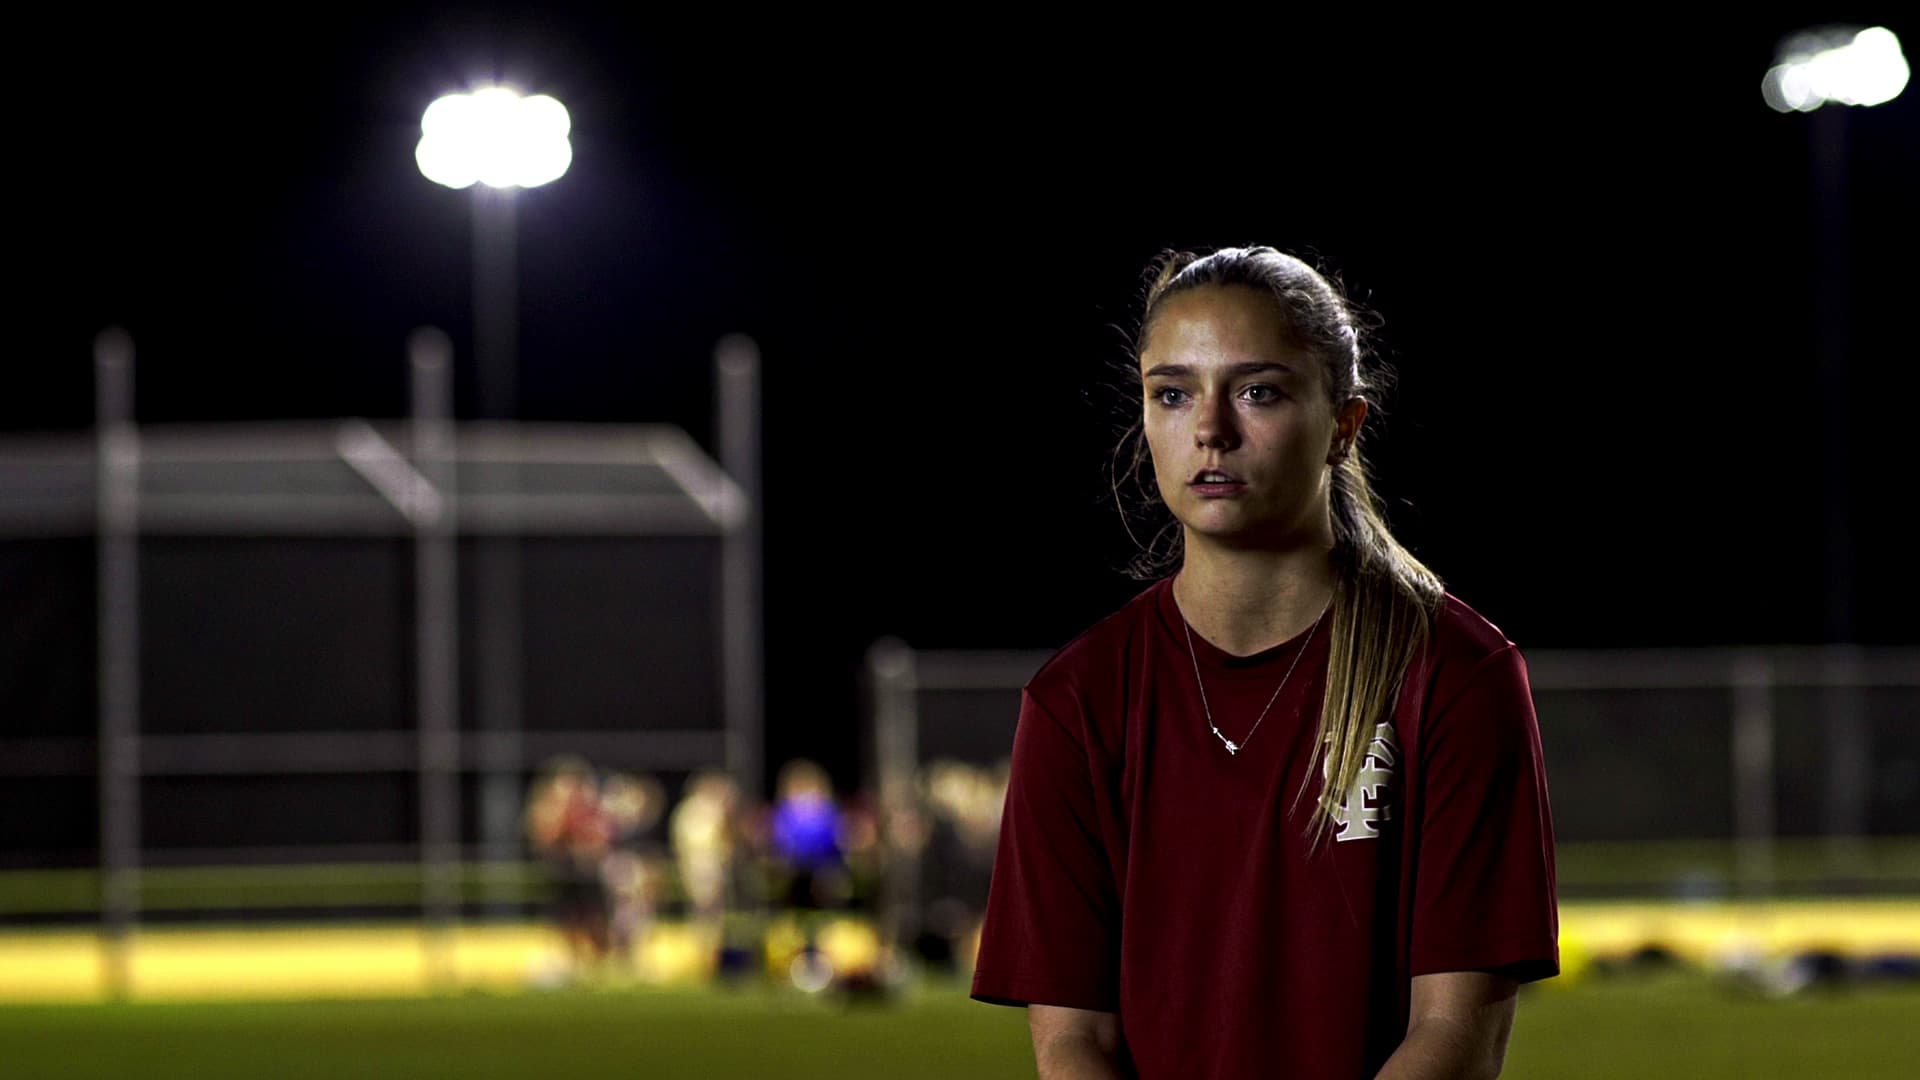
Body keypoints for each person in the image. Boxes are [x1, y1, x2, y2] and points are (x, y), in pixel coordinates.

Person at [969, 246, 1558, 1079]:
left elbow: (1454, 1037)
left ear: (1343, 425)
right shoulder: (1078, 699)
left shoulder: (1454, 675)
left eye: (1258, 391)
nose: (1209, 428)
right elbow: (1074, 1042)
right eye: (1172, 393)